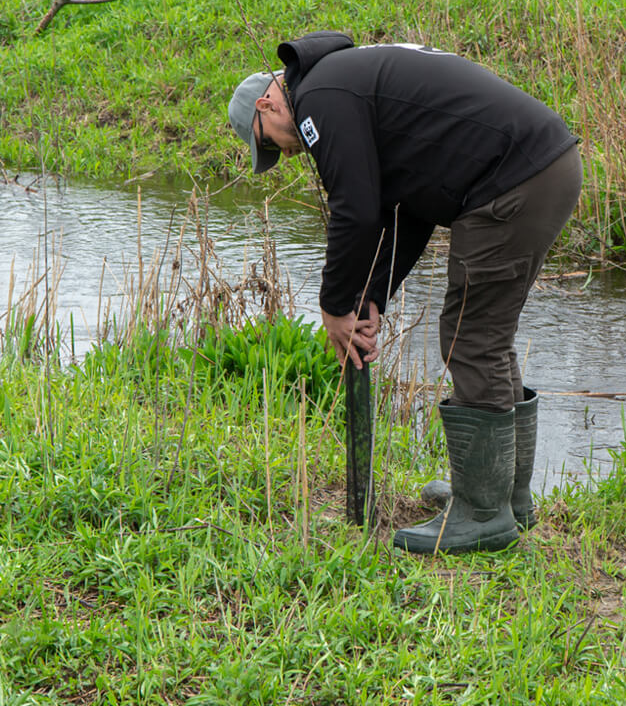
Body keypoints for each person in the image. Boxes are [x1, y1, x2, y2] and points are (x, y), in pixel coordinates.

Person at [227, 31, 581, 554]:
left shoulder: (320, 99)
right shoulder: (342, 80)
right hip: (540, 167)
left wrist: (332, 309)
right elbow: (406, 207)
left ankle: (483, 513)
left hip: (511, 182)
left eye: (267, 141)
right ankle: (507, 498)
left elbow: (355, 208)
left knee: (471, 336)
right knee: (488, 333)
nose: (283, 150)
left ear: (267, 104)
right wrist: (370, 297)